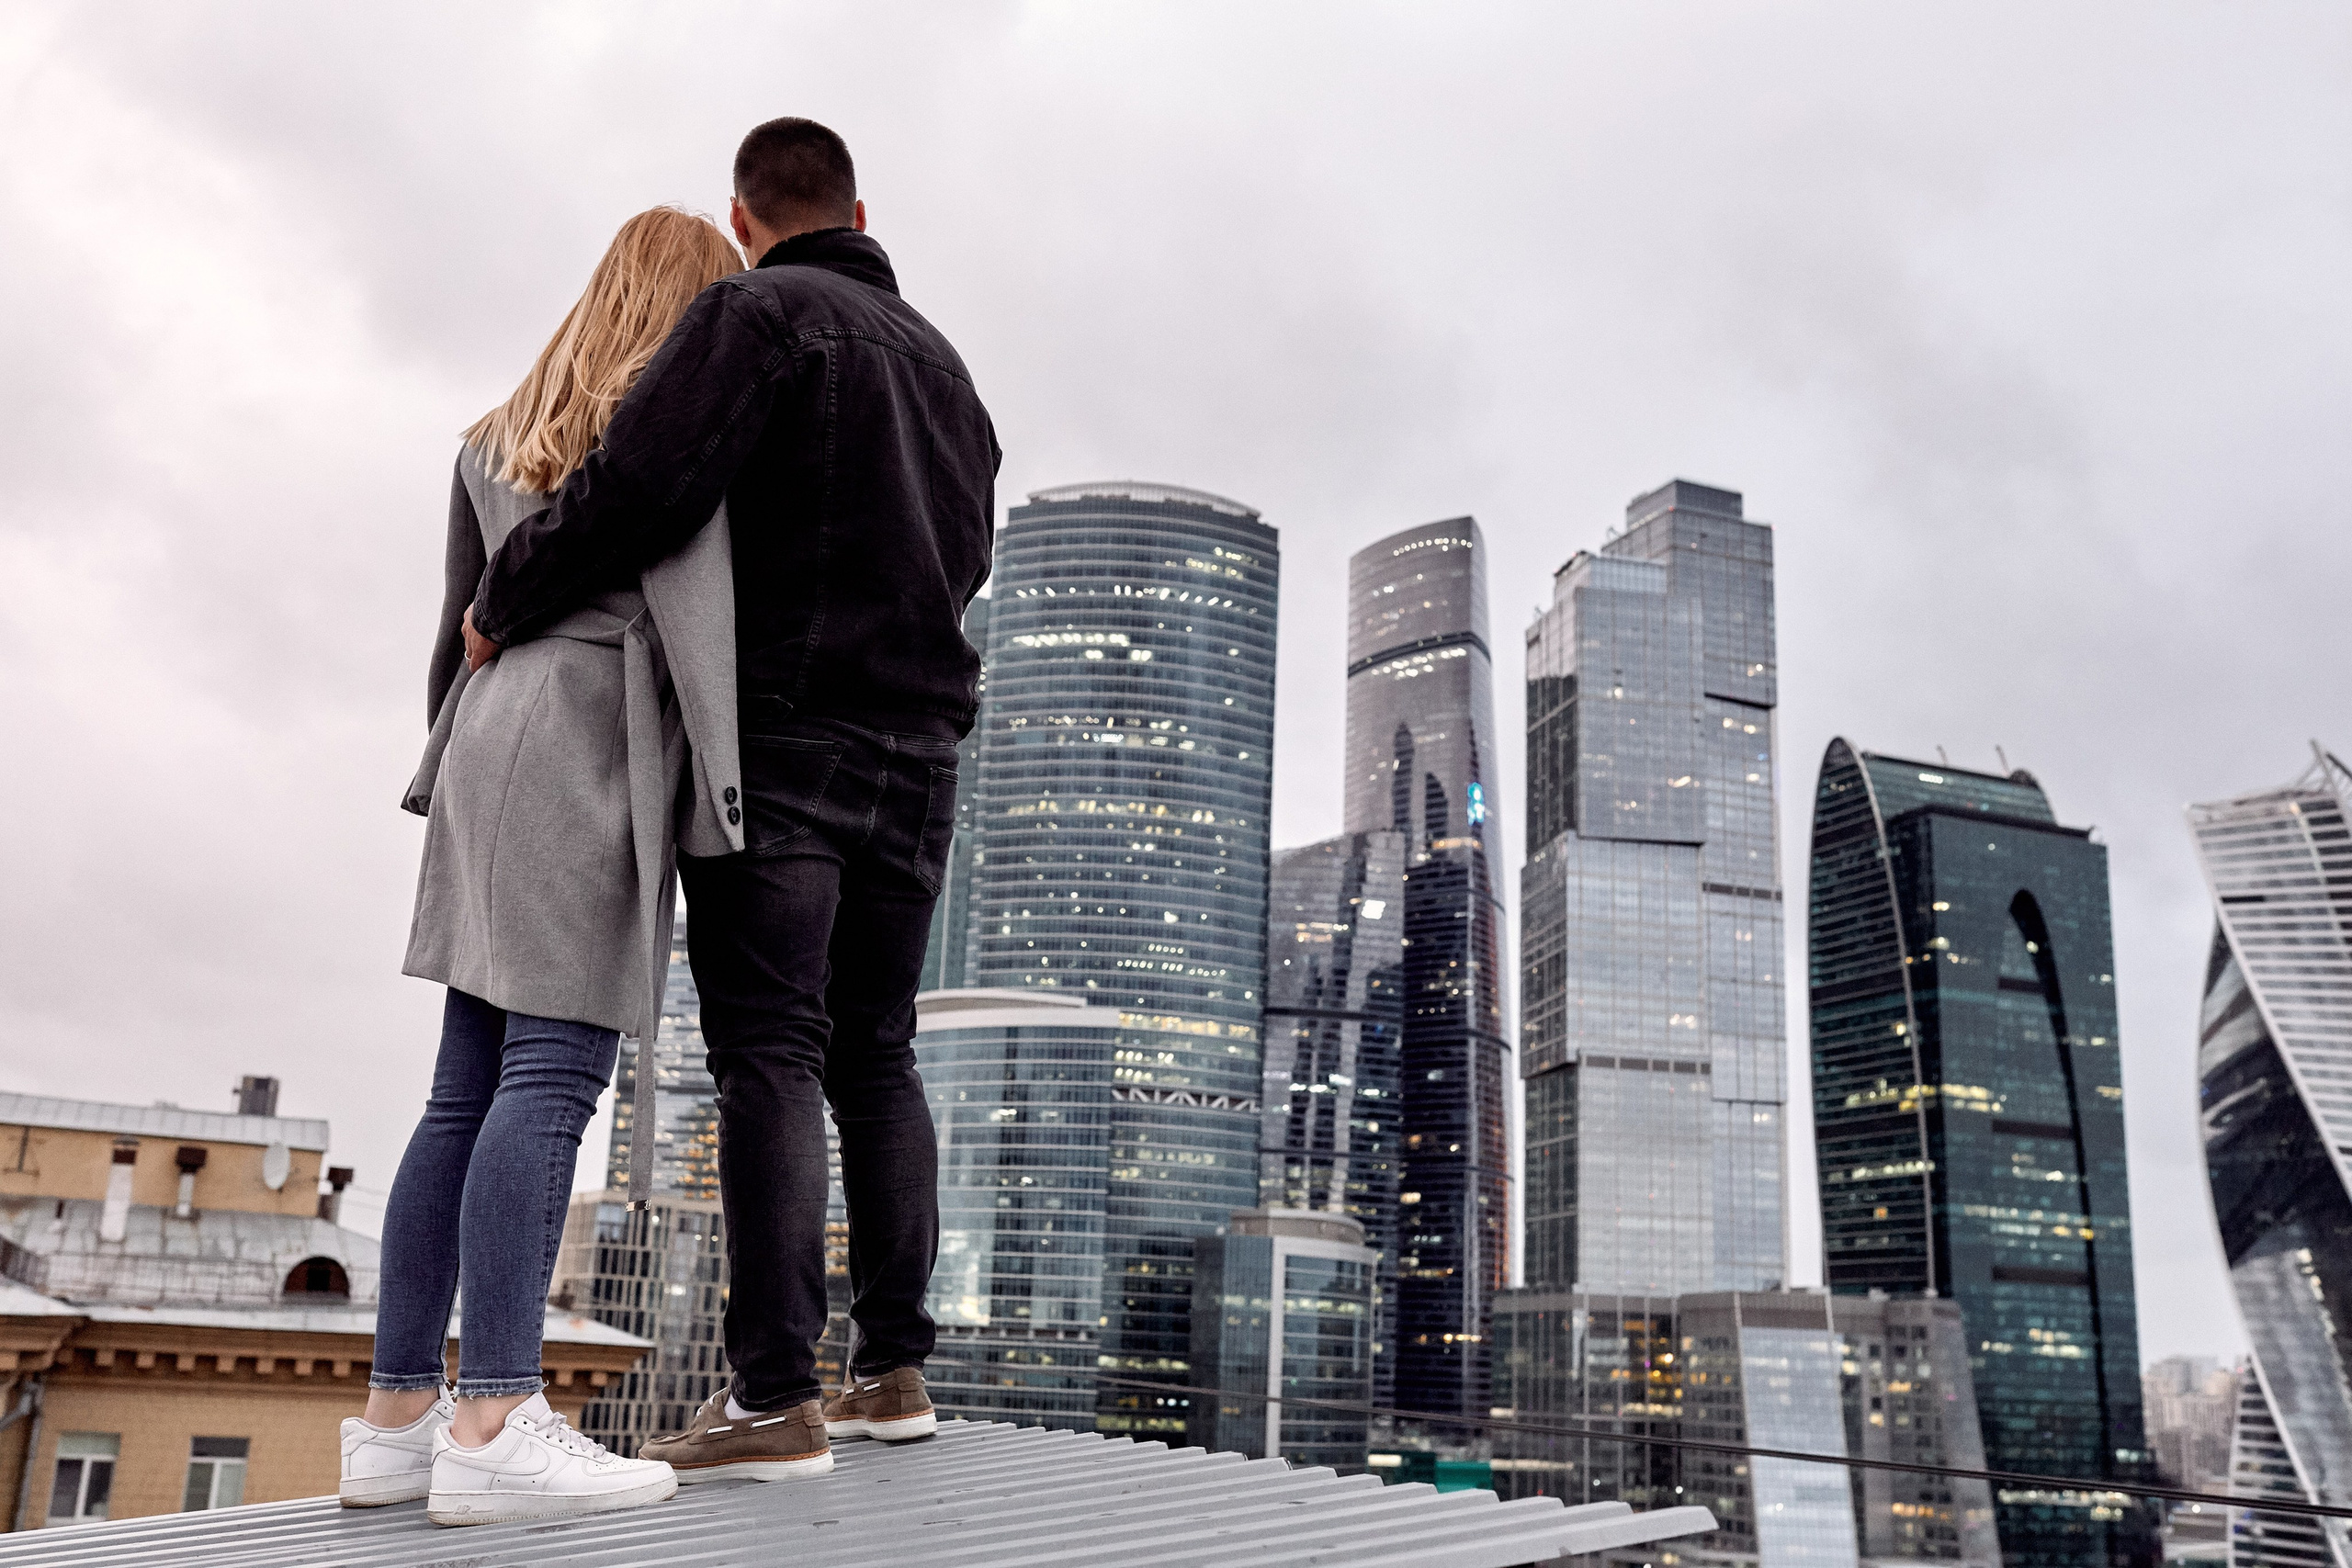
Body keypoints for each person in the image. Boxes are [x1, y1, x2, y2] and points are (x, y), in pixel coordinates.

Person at [461, 117, 999, 1483]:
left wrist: (500, 601)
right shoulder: (950, 371)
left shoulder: (751, 317)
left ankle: (772, 1397)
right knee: (878, 1054)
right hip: (923, 752)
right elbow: (970, 555)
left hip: (786, 739)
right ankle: (892, 1374)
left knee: (770, 1049)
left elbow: (640, 486)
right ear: (861, 209)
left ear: (745, 215)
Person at [340, 208, 748, 1526]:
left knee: (464, 1084)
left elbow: (449, 626)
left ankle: (399, 1419)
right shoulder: (677, 436)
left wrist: (448, 769)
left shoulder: (494, 432)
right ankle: (498, 1413)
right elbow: (706, 625)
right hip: (584, 741)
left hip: (484, 735)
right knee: (554, 1072)